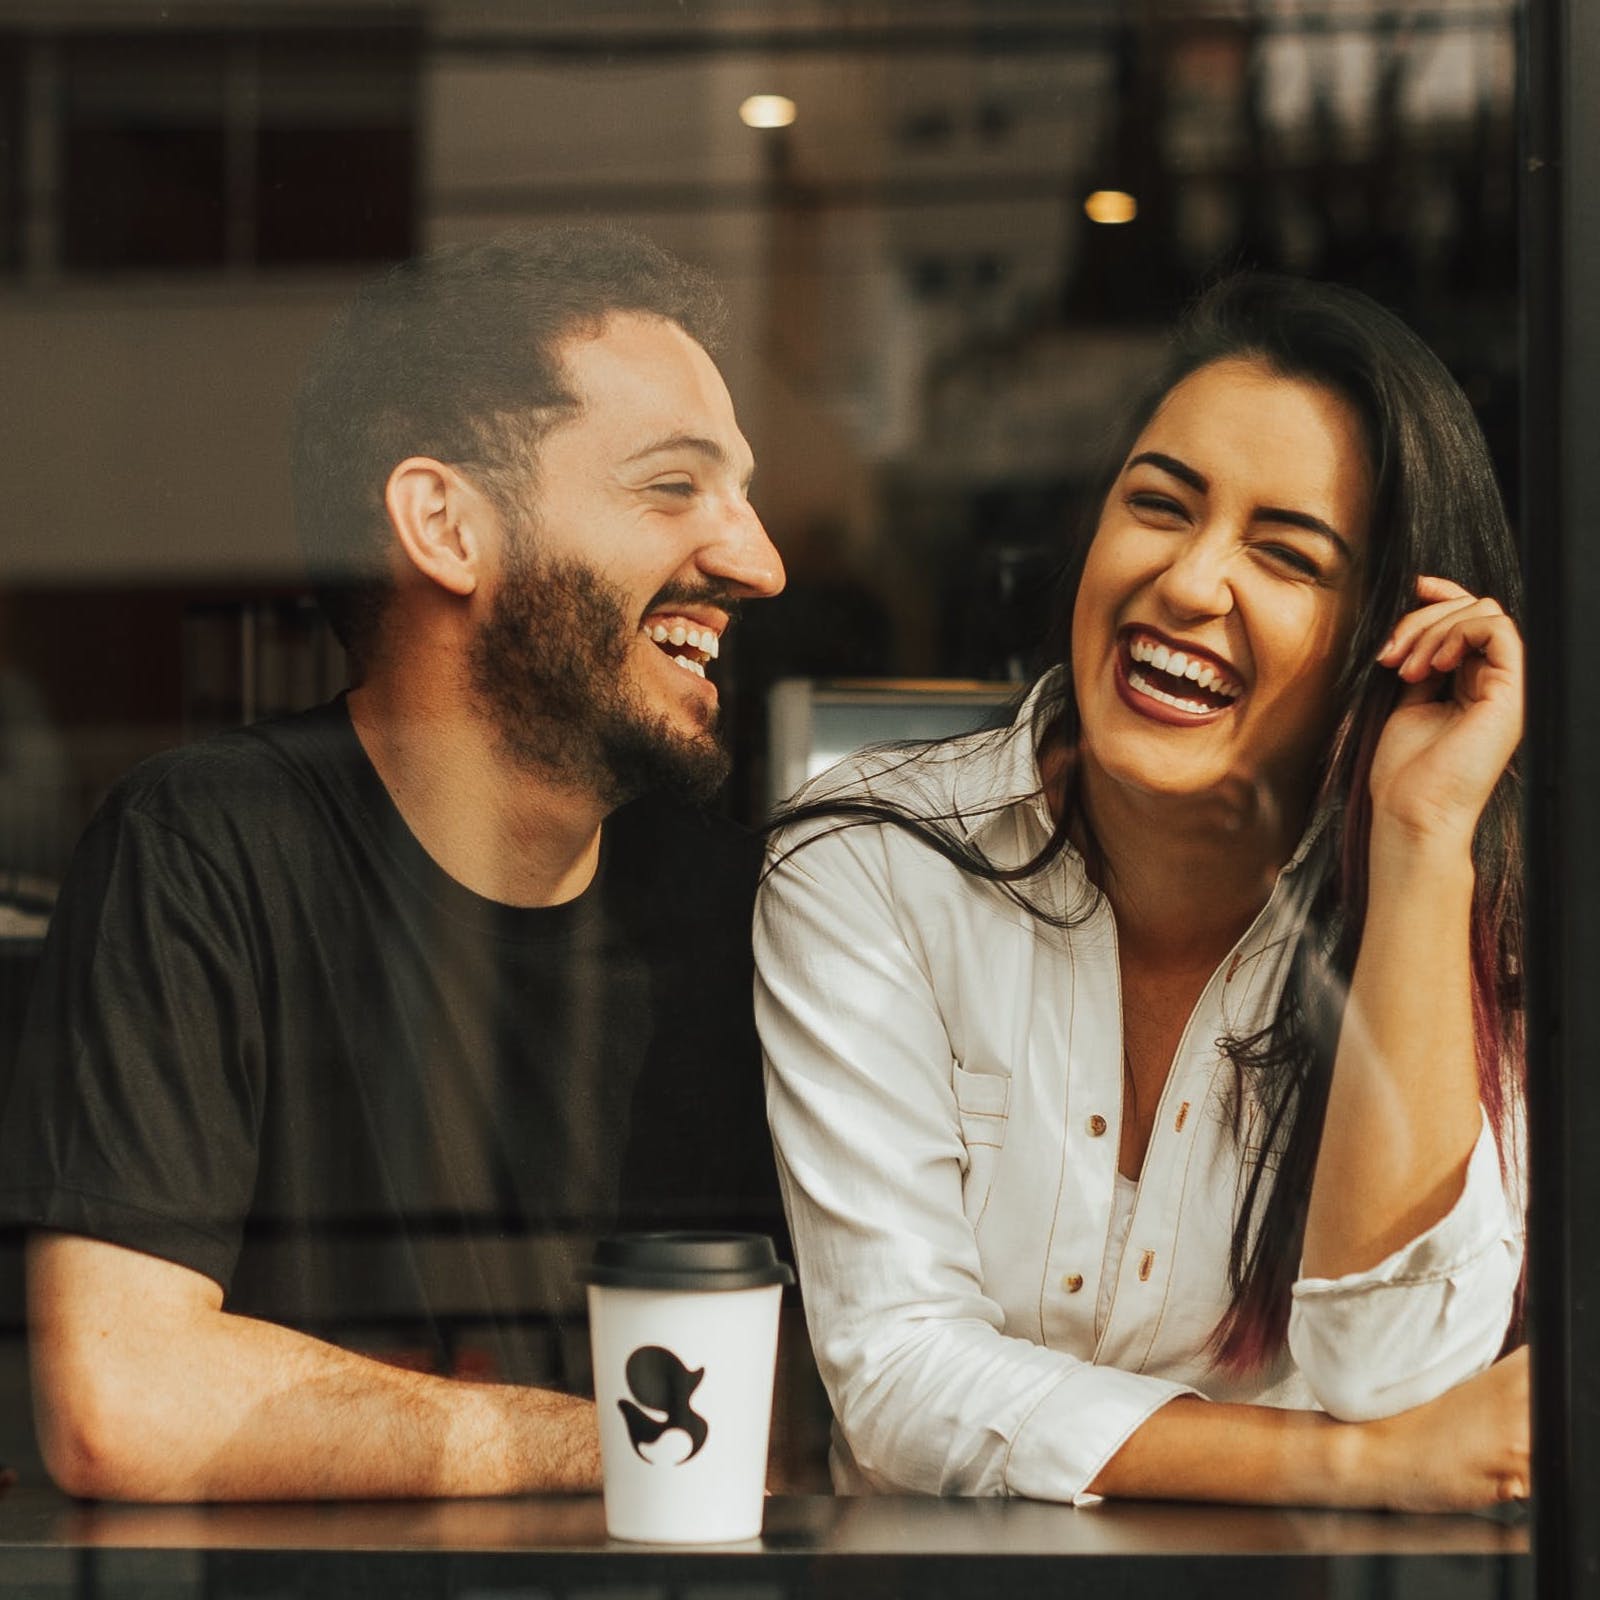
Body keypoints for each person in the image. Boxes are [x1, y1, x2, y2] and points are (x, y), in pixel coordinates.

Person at [0, 226, 787, 1500]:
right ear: (445, 524)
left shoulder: (734, 913)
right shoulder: (205, 849)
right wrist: (626, 1449)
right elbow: (124, 1394)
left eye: (741, 492)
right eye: (672, 486)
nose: (759, 559)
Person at [755, 274, 1528, 1511]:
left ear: (1384, 643)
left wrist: (1425, 838)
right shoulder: (871, 857)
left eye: (1286, 555)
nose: (1187, 581)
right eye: (1158, 506)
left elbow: (1397, 1373)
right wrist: (1347, 1465)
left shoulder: (1457, 920)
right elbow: (897, 1375)